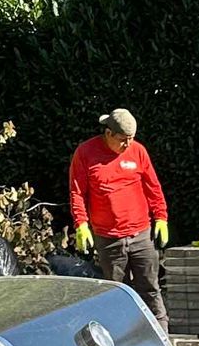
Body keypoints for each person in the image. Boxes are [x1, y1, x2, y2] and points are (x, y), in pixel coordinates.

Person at [67, 106, 170, 324]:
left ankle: (163, 339)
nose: (128, 145)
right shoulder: (86, 153)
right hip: (109, 238)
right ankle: (125, 342)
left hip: (141, 234)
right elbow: (77, 192)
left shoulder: (138, 151)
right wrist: (81, 225)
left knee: (150, 289)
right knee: (117, 294)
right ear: (108, 133)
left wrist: (161, 218)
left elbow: (153, 188)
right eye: (123, 139)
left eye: (131, 139)